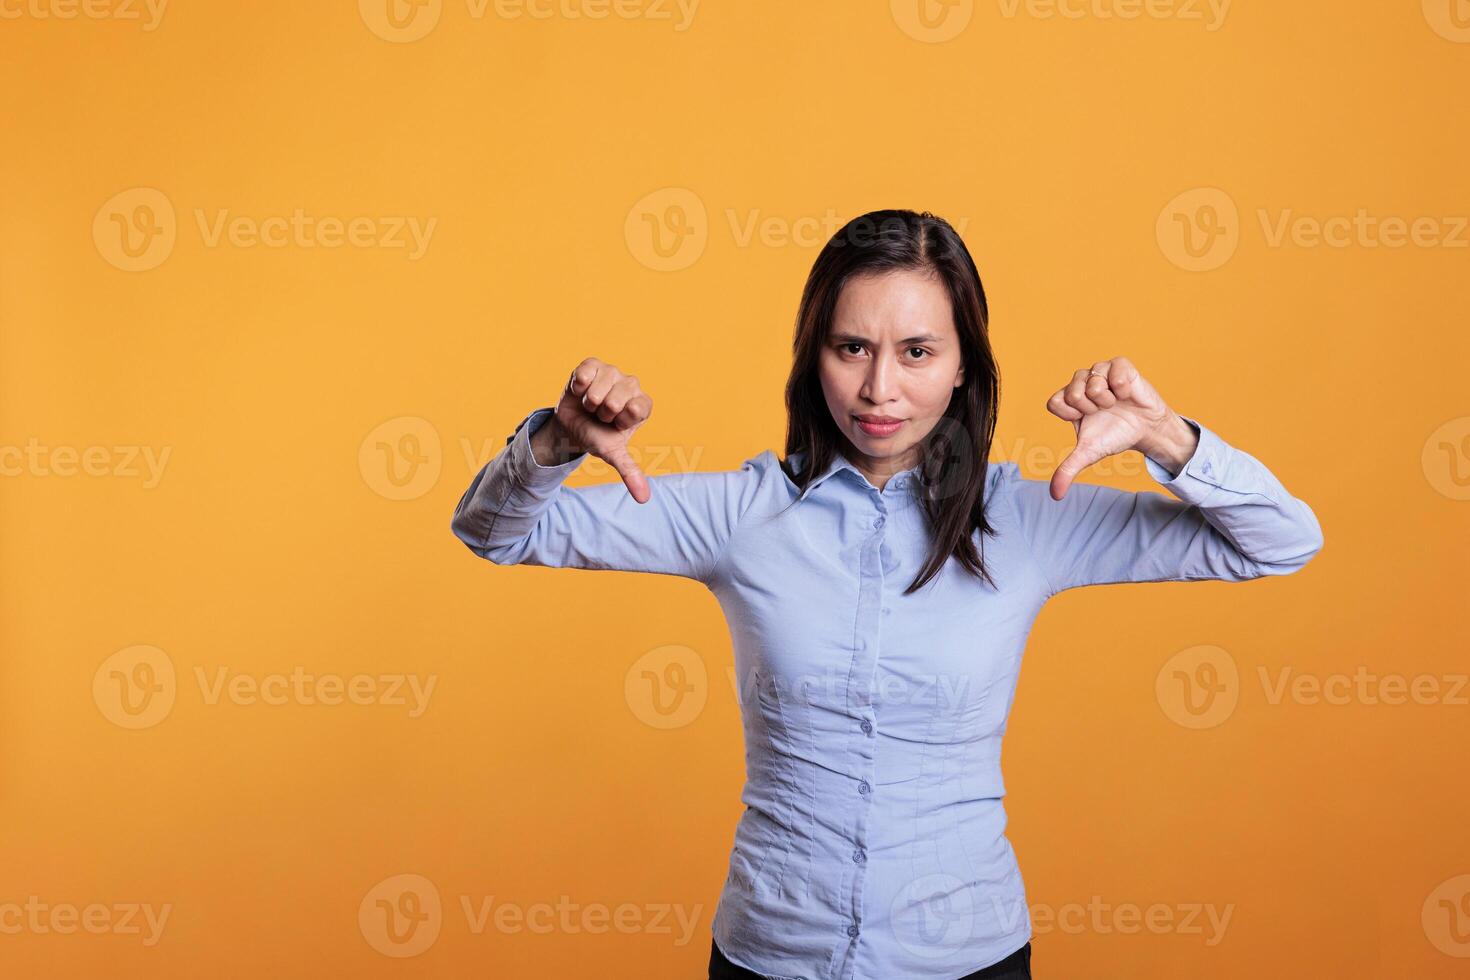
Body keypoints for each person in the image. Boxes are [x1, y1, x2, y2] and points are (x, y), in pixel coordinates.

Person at [449, 209, 1324, 980]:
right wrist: (556, 443)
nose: (879, 389)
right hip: (770, 954)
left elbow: (1281, 544)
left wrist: (1168, 438)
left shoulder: (1029, 517)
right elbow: (492, 532)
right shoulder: (738, 512)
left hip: (968, 955)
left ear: (960, 368)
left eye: (916, 352)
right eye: (851, 348)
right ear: (814, 356)